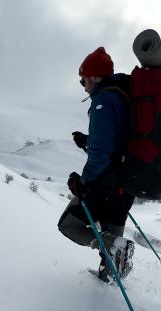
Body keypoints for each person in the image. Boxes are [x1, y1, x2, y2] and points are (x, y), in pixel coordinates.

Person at [57, 47, 135, 283]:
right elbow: (116, 140)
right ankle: (109, 280)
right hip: (127, 182)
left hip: (105, 186)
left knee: (68, 225)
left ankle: (113, 246)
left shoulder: (103, 101)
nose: (83, 86)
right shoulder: (123, 96)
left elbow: (102, 153)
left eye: (83, 80)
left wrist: (82, 182)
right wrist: (87, 141)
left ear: (93, 77)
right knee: (113, 239)